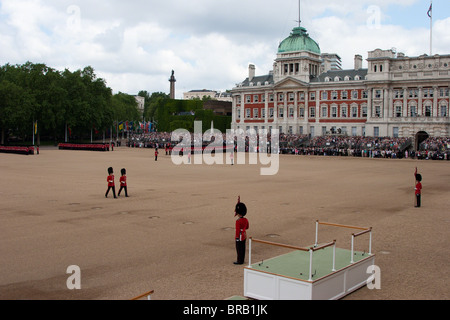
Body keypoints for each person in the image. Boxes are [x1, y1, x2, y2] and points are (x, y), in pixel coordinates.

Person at [234, 196, 249, 265]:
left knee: (239, 249)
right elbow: (247, 227)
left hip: (239, 236)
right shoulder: (245, 219)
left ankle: (239, 261)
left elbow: (237, 230)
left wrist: (237, 237)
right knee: (243, 248)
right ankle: (242, 259)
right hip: (244, 235)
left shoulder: (238, 221)